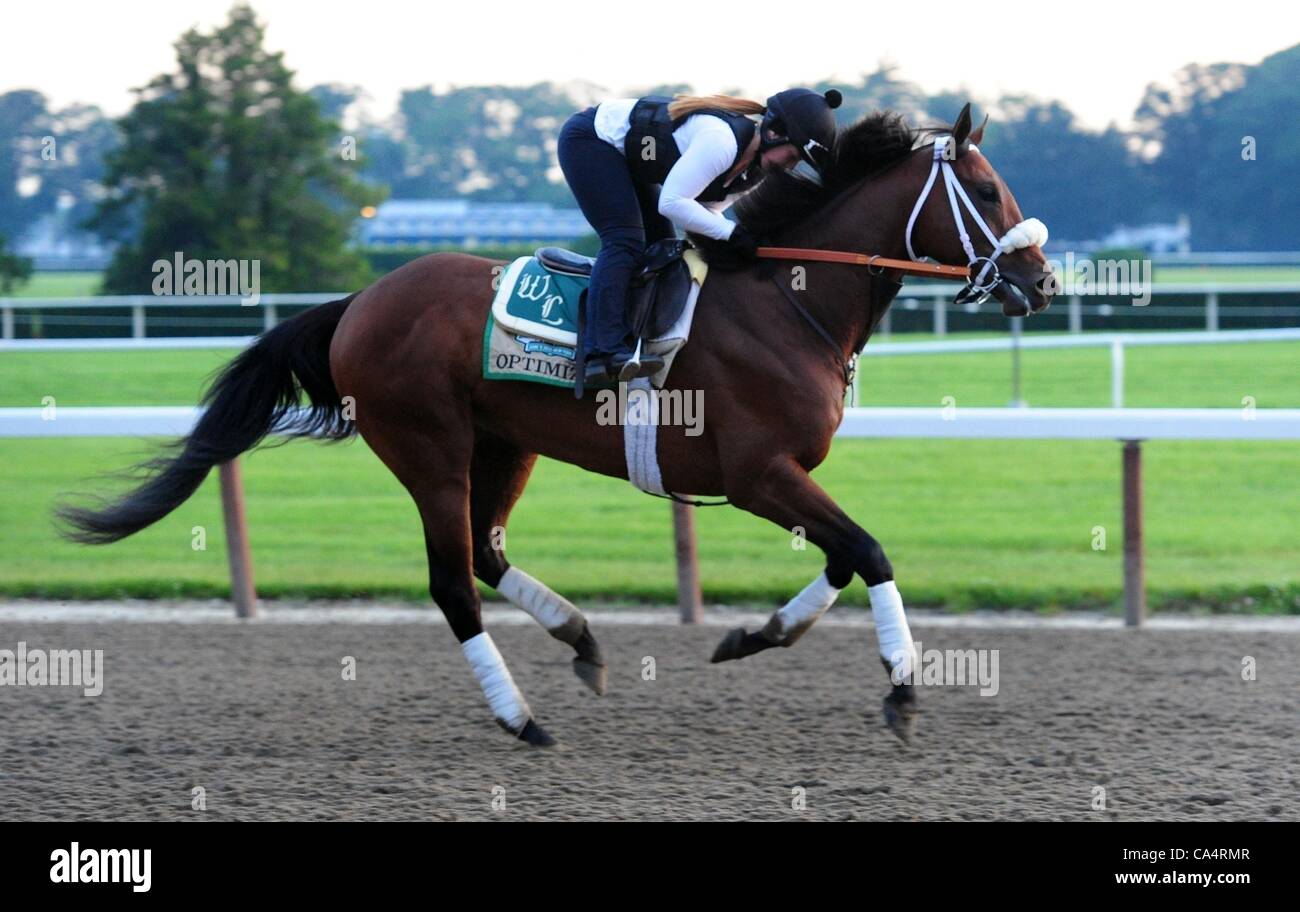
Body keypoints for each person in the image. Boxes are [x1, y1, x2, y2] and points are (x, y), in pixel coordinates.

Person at [556, 88, 843, 384]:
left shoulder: (752, 174)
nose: (791, 166)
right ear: (775, 132)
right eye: (794, 155)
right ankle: (600, 352)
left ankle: (636, 340)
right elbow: (672, 203)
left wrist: (746, 242)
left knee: (662, 247)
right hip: (590, 140)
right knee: (625, 240)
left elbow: (704, 214)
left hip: (632, 160)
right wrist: (733, 233)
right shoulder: (721, 142)